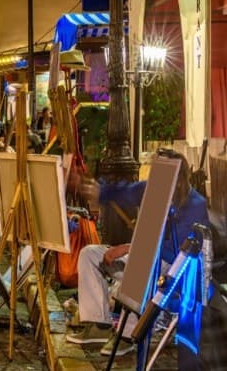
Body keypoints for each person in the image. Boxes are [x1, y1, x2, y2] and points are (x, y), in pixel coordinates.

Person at [65, 151, 210, 357]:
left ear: (178, 178)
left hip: (173, 272)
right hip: (145, 256)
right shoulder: (153, 189)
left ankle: (128, 335)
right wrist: (89, 187)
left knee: (143, 263)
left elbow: (177, 252)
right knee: (89, 254)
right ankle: (98, 324)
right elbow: (121, 193)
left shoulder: (195, 204)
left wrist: (129, 247)